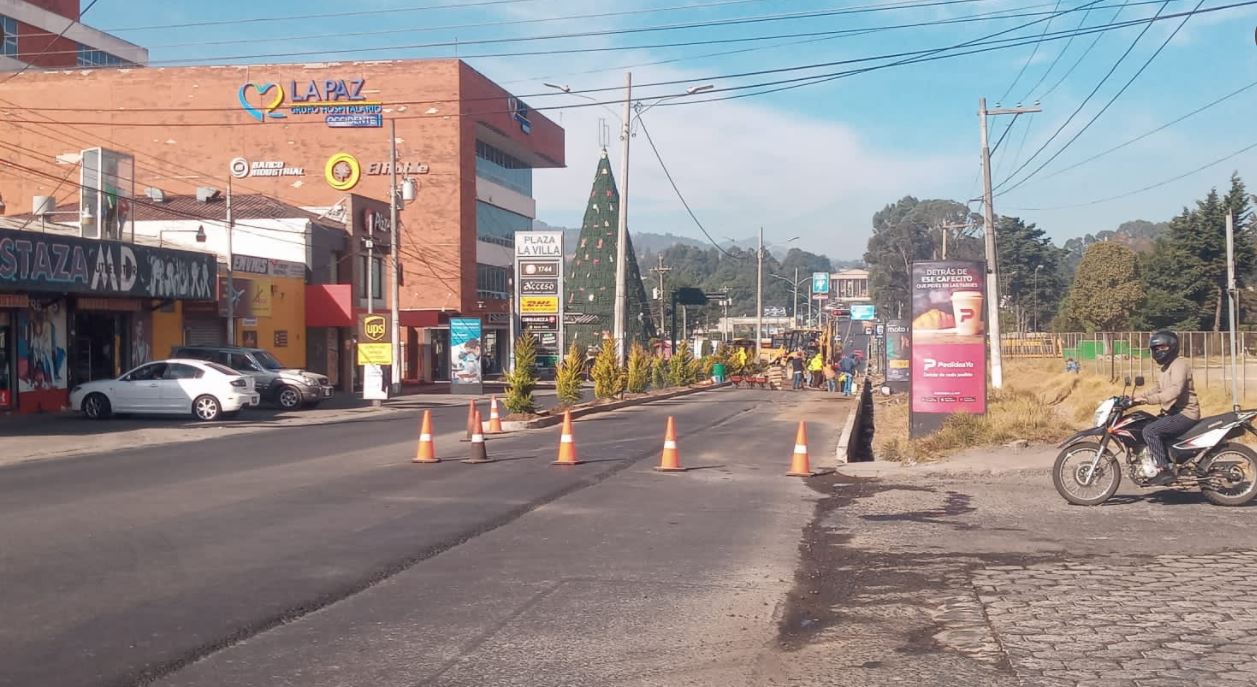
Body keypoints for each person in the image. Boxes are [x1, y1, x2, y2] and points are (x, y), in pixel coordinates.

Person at [1132, 330, 1200, 485]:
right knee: (1145, 423)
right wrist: (1136, 399)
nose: (1157, 352)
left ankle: (1164, 470)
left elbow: (1175, 390)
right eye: (1155, 349)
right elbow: (1157, 388)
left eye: (1161, 348)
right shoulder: (1165, 368)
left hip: (1186, 413)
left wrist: (1148, 400)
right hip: (1173, 412)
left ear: (1172, 346)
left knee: (1150, 431)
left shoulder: (1179, 364)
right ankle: (1165, 460)